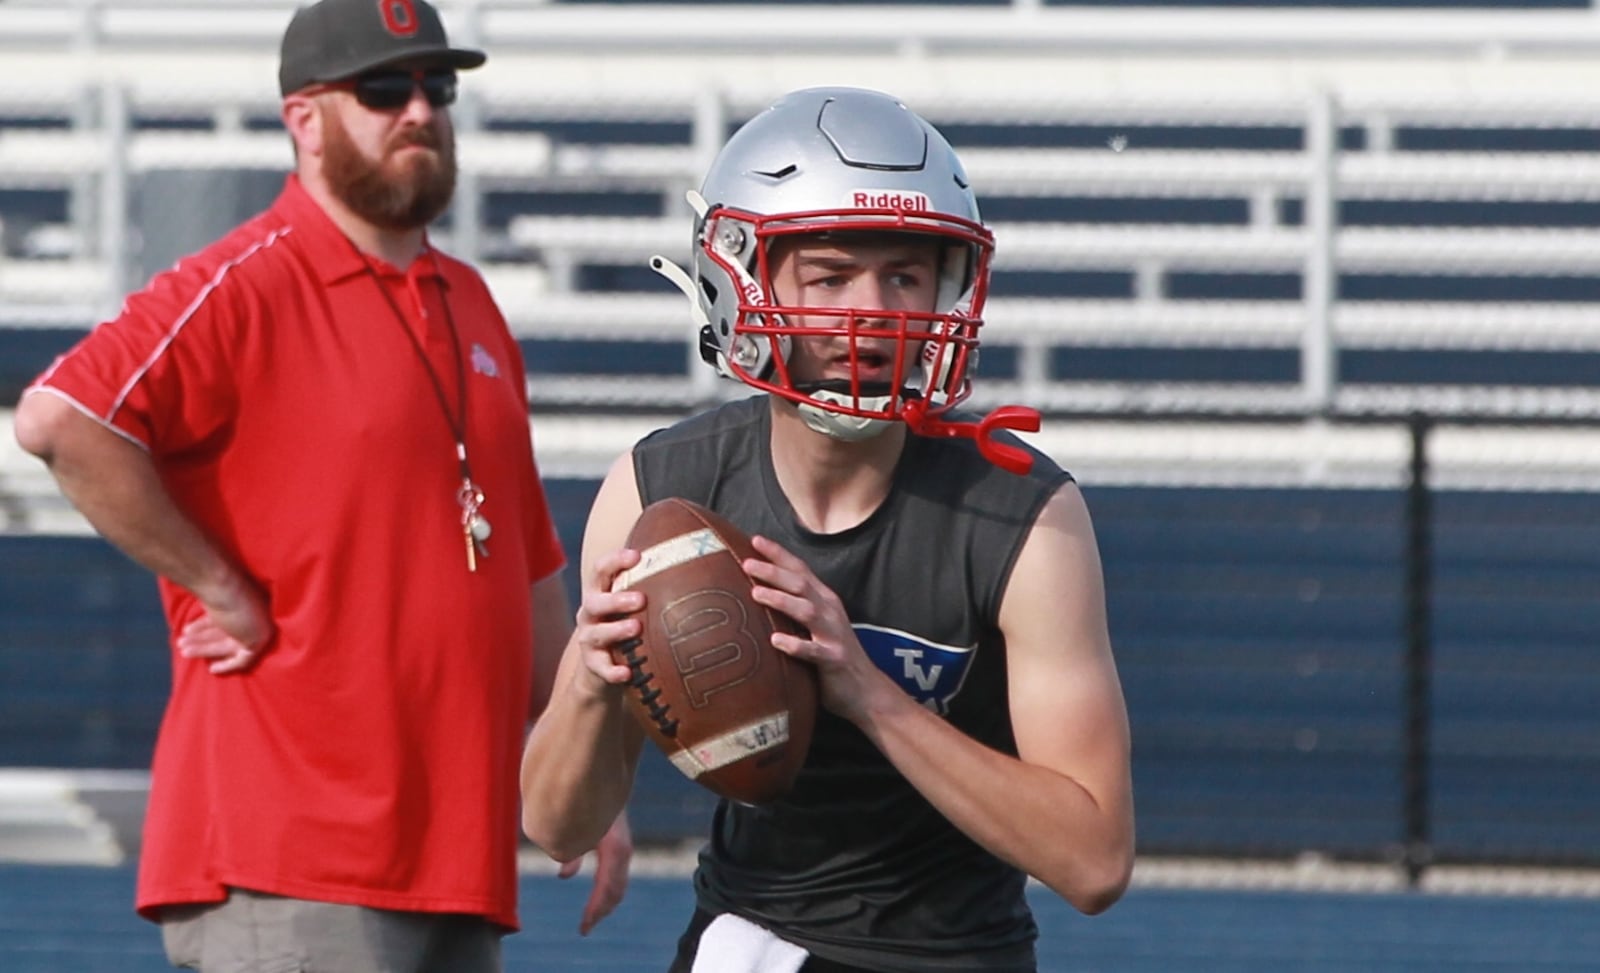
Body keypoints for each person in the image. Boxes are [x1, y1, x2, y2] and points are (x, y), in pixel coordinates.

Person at [11, 0, 630, 969]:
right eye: (383, 89)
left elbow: (525, 563)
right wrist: (218, 588)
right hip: (291, 856)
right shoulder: (248, 279)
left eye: (436, 87)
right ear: (303, 119)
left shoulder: (472, 301)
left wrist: (582, 774)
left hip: (458, 860)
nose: (419, 111)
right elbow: (60, 416)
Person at [518, 86, 1135, 972]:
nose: (872, 312)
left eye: (904, 275)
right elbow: (556, 825)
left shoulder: (1021, 515)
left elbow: (1095, 861)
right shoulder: (661, 491)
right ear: (742, 281)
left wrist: (867, 693)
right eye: (831, 275)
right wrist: (586, 677)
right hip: (754, 942)